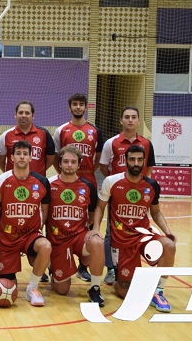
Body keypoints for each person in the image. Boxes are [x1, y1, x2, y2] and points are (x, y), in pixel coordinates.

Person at [87, 145, 176, 312]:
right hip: (121, 241)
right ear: (125, 161)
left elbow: (155, 213)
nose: (136, 163)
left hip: (143, 237)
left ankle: (158, 291)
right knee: (124, 291)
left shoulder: (152, 185)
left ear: (144, 162)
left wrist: (168, 232)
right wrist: (96, 228)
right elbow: (99, 207)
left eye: (140, 160)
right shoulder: (111, 181)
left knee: (169, 246)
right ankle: (119, 279)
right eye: (132, 159)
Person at [99, 106, 156, 285]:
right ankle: (110, 269)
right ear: (121, 120)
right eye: (126, 117)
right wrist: (114, 185)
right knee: (110, 232)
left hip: (139, 195)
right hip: (117, 195)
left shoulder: (147, 144)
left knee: (138, 229)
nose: (130, 120)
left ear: (139, 121)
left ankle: (132, 266)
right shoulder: (112, 143)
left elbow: (150, 169)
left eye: (133, 117)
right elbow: (103, 166)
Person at [0, 140, 52, 307]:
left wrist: (38, 231)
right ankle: (4, 271)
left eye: (25, 154)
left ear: (31, 157)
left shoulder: (42, 182)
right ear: (12, 157)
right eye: (18, 154)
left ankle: (33, 288)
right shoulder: (0, 181)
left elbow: (45, 211)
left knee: (45, 246)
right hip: (8, 238)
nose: (22, 157)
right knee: (8, 290)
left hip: (30, 234)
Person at [53, 93, 103, 282]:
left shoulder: (95, 130)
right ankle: (55, 261)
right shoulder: (61, 130)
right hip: (65, 181)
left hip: (87, 179)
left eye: (81, 104)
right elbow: (58, 155)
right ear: (70, 107)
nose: (78, 107)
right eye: (75, 104)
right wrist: (64, 173)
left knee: (88, 222)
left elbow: (98, 157)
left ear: (85, 107)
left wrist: (88, 170)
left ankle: (84, 266)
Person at [47, 146, 104, 306]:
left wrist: (93, 229)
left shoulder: (88, 187)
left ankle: (95, 288)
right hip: (58, 241)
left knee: (97, 242)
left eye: (73, 162)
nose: (69, 165)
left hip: (79, 237)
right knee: (62, 290)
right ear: (60, 163)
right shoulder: (49, 185)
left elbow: (94, 210)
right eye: (66, 161)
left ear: (79, 165)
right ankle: (54, 267)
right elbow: (43, 214)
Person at [0, 100, 55, 176]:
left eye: (27, 113)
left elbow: (50, 159)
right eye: (20, 112)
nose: (23, 115)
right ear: (15, 115)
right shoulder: (5, 136)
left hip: (37, 183)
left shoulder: (44, 134)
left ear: (33, 115)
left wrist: (39, 172)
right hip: (13, 181)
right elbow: (0, 162)